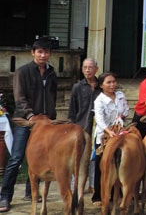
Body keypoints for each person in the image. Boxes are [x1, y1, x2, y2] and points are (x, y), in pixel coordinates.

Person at [0, 37, 57, 212]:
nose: (43, 55)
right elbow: (19, 98)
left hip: (45, 122)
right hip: (25, 121)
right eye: (39, 51)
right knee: (17, 158)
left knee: (39, 158)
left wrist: (50, 116)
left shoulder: (51, 72)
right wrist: (31, 115)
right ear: (33, 53)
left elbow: (52, 96)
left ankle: (29, 192)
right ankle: (4, 197)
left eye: (46, 52)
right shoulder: (23, 72)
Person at [90, 72, 129, 206]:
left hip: (120, 131)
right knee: (102, 165)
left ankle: (119, 193)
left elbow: (126, 110)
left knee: (122, 161)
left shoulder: (120, 96)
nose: (112, 85)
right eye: (108, 82)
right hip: (104, 135)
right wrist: (109, 131)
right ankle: (98, 196)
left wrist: (121, 117)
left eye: (113, 82)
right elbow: (99, 119)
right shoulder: (99, 100)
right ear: (101, 85)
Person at [68, 57, 100, 193]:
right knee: (78, 157)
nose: (87, 70)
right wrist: (71, 127)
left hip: (98, 127)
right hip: (81, 127)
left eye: (90, 67)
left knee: (95, 157)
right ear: (82, 69)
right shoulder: (77, 87)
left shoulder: (102, 86)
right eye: (85, 67)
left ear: (96, 69)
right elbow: (72, 110)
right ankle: (75, 186)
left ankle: (93, 184)